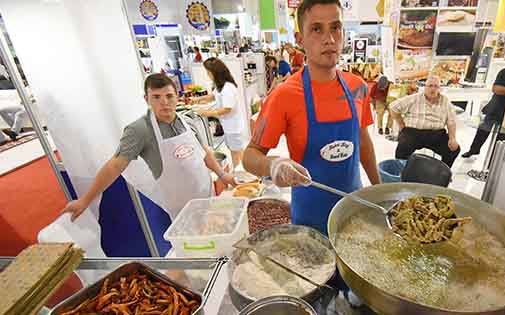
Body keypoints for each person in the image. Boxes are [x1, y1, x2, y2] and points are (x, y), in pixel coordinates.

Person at [243, 0, 380, 236]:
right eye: (317, 29)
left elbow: (363, 141)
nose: (329, 39)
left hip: (353, 210)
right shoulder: (283, 96)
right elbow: (249, 156)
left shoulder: (358, 87)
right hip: (310, 217)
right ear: (300, 39)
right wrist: (274, 165)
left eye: (335, 27)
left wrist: (379, 191)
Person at [62, 74, 236, 252]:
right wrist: (85, 200)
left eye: (169, 96)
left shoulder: (188, 121)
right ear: (147, 99)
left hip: (208, 200)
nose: (164, 102)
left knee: (222, 247)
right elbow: (115, 165)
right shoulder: (139, 130)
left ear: (177, 96)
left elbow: (204, 152)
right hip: (182, 213)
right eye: (156, 97)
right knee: (200, 252)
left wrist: (222, 174)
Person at [390, 76, 460, 167]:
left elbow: (451, 121)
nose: (433, 89)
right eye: (430, 86)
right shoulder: (414, 98)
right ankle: (401, 171)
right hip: (413, 132)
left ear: (440, 88)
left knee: (454, 149)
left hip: (436, 134)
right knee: (403, 148)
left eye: (436, 86)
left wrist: (452, 138)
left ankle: (442, 172)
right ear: (425, 87)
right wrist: (401, 124)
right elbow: (393, 107)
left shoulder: (445, 101)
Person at [193, 58, 249, 168]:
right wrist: (197, 99)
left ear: (215, 73)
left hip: (234, 128)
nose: (207, 75)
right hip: (229, 127)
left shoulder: (228, 87)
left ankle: (242, 177)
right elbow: (213, 96)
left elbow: (227, 109)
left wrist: (207, 113)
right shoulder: (221, 86)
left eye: (208, 72)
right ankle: (239, 175)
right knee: (235, 153)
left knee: (237, 155)